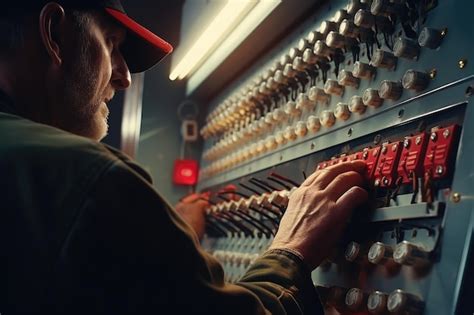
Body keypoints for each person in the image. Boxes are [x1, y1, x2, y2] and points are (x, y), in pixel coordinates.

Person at [0, 0, 368, 314]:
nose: (125, 77)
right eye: (110, 43)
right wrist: (292, 250)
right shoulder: (94, 177)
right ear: (54, 34)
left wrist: (157, 239)